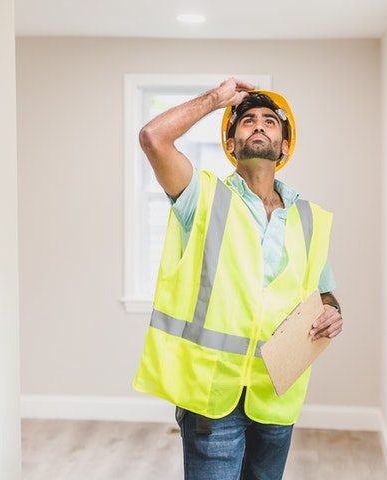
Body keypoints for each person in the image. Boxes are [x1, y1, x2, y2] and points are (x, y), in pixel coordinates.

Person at [133, 78, 343, 480]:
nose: (259, 126)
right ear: (230, 145)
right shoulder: (203, 197)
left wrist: (333, 313)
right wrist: (217, 100)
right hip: (213, 397)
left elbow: (325, 294)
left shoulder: (310, 219)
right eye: (246, 121)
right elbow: (153, 137)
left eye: (270, 121)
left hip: (278, 391)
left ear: (284, 146)